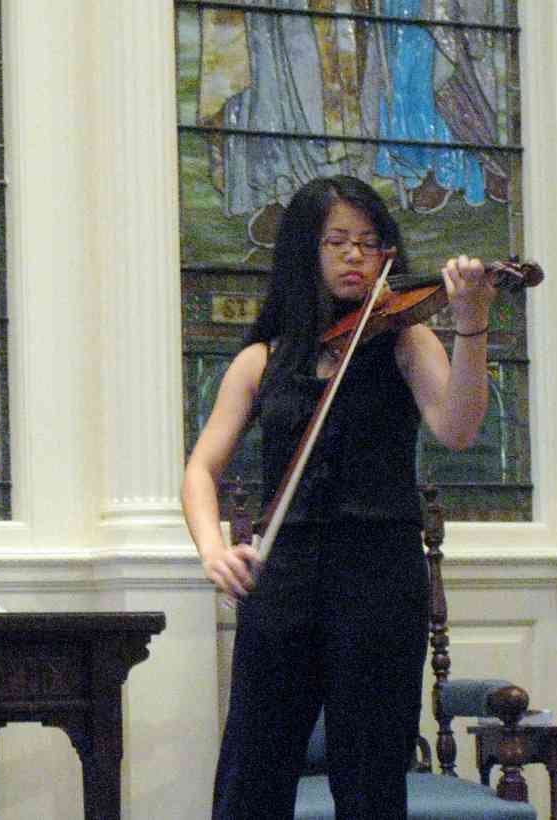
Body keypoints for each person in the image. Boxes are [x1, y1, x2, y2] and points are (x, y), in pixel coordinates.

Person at [181, 175, 495, 820]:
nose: (356, 256)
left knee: (372, 772)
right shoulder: (263, 360)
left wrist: (472, 324)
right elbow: (201, 469)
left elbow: (458, 428)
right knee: (252, 770)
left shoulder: (407, 340)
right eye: (338, 242)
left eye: (370, 243)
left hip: (379, 570)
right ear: (306, 251)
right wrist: (213, 548)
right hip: (284, 572)